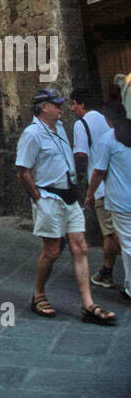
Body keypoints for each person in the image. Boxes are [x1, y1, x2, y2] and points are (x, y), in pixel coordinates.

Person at [15, 89, 115, 325]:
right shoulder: (31, 134)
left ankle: (88, 304)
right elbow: (23, 171)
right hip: (49, 197)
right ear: (44, 108)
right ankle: (38, 295)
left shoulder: (59, 128)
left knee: (80, 248)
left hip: (69, 197)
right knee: (51, 251)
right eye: (57, 104)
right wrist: (38, 199)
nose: (62, 108)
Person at [70, 87, 120, 290]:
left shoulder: (81, 124)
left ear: (81, 104)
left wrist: (78, 180)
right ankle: (106, 272)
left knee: (112, 232)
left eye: (73, 104)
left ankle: (108, 273)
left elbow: (81, 155)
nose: (72, 109)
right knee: (111, 231)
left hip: (100, 187)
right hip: (118, 183)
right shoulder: (105, 120)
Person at [86, 103, 131, 302]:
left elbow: (99, 171)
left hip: (121, 201)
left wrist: (90, 194)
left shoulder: (108, 140)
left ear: (108, 120)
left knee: (128, 244)